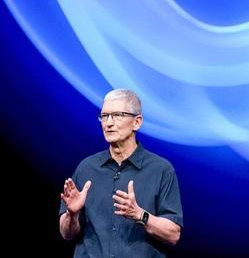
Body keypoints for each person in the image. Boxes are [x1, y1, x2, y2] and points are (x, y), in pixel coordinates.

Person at [59, 88, 183, 256]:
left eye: (117, 115)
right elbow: (67, 234)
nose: (108, 123)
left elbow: (173, 235)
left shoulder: (161, 170)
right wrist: (72, 214)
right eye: (104, 116)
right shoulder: (86, 168)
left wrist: (140, 214)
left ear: (137, 122)